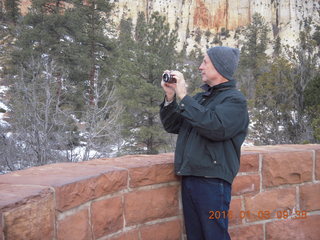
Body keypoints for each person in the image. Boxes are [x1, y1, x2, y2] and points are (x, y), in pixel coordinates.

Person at [159, 46, 249, 240]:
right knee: (196, 236)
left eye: (205, 62)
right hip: (191, 175)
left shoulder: (235, 101)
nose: (200, 67)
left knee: (213, 235)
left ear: (220, 67)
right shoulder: (201, 98)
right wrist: (170, 97)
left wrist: (184, 97)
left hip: (212, 181)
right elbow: (173, 125)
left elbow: (215, 127)